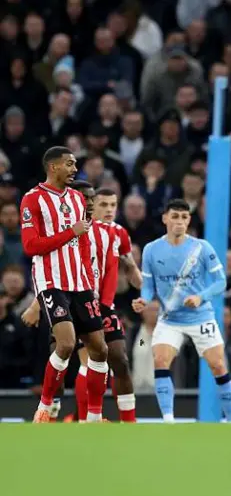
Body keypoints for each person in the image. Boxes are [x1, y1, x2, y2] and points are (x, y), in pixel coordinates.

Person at [23, 185, 142, 422]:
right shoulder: (70, 230)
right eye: (101, 203)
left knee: (117, 358)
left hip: (99, 302)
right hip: (68, 298)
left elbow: (124, 270)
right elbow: (52, 268)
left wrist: (139, 281)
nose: (107, 209)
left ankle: (120, 421)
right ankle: (57, 413)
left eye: (112, 205)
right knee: (73, 358)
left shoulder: (117, 233)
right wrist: (37, 305)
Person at [20, 147, 109, 423]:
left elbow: (83, 244)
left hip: (79, 283)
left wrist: (89, 279)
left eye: (75, 164)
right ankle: (44, 409)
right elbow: (30, 246)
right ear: (53, 167)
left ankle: (94, 418)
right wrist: (70, 232)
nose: (74, 169)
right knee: (67, 344)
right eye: (69, 164)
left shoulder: (76, 199)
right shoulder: (32, 200)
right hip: (51, 281)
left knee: (100, 349)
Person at [132, 199, 231, 422]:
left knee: (218, 365)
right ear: (165, 218)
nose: (180, 222)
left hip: (201, 317)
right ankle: (169, 420)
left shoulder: (202, 248)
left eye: (184, 217)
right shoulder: (151, 250)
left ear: (189, 220)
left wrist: (201, 297)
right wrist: (144, 299)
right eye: (175, 217)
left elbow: (220, 281)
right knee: (160, 360)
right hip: (170, 319)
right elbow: (149, 286)